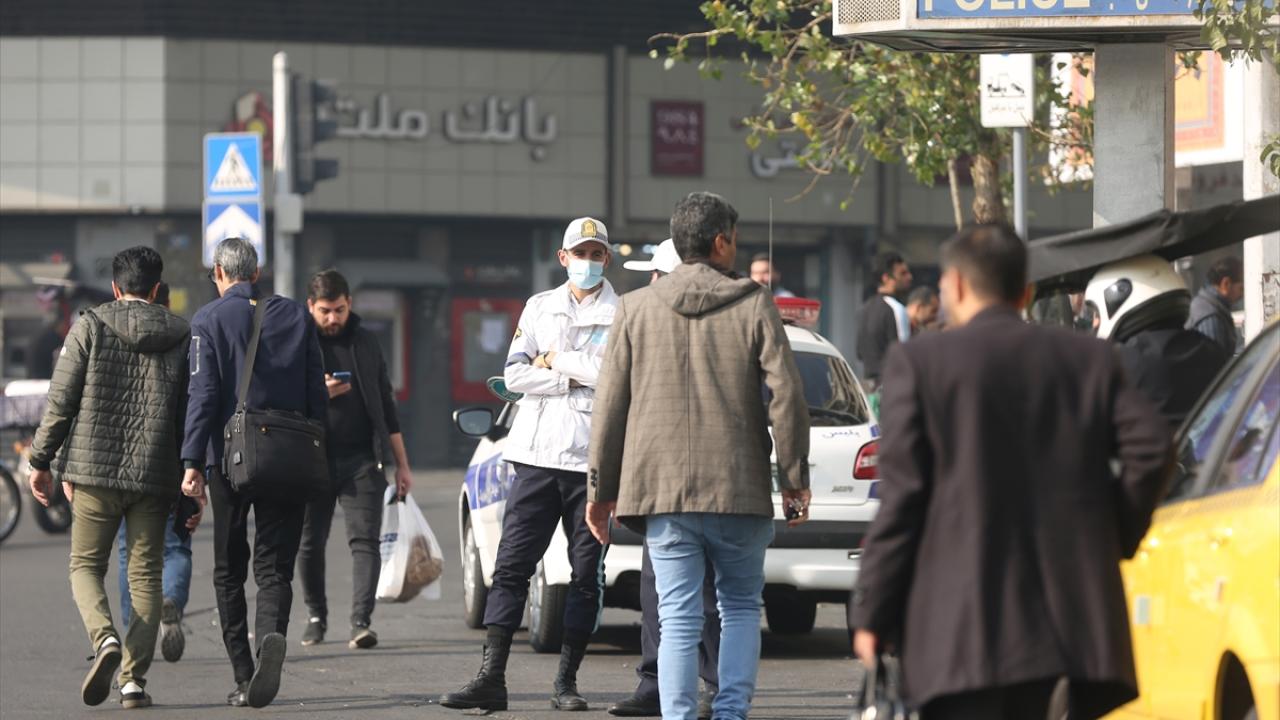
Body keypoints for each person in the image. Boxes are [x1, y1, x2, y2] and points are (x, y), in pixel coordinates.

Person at [850, 225, 1173, 720]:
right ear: (1026, 292)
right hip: (1068, 629)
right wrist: (1112, 534)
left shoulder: (919, 363)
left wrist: (872, 610)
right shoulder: (1086, 357)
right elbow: (1152, 449)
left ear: (956, 286)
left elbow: (903, 499)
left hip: (958, 631)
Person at [586, 191, 811, 720]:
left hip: (661, 492)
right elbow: (787, 395)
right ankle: (730, 713)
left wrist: (601, 491)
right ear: (721, 242)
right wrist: (794, 480)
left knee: (678, 617)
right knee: (739, 609)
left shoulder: (635, 308)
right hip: (739, 489)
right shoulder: (753, 303)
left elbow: (610, 406)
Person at [440, 216, 619, 713]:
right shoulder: (540, 306)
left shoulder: (622, 313)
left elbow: (612, 375)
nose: (588, 262)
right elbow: (514, 376)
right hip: (535, 459)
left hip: (591, 463)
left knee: (586, 576)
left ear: (607, 259)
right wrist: (570, 375)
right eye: (580, 253)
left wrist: (553, 359)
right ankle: (490, 677)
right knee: (511, 568)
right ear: (563, 258)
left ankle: (567, 682)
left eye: (596, 254)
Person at [27, 247, 193, 710]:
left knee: (85, 566)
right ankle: (133, 681)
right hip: (155, 474)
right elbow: (190, 413)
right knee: (146, 575)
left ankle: (105, 639)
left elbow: (61, 401)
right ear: (157, 290)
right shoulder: (183, 334)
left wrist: (40, 460)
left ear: (116, 288)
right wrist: (192, 475)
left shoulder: (91, 325)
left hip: (93, 473)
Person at [180, 237, 326, 708]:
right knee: (274, 566)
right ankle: (270, 640)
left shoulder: (207, 320)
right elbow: (317, 394)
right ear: (257, 273)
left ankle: (245, 675)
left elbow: (203, 396)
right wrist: (318, 452)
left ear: (219, 274)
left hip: (230, 458)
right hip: (288, 452)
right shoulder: (297, 316)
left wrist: (191, 462)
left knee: (229, 569)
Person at [613, 238, 721, 719]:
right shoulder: (641, 323)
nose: (652, 284)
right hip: (659, 481)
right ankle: (656, 685)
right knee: (659, 592)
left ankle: (713, 687)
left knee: (705, 596)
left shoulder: (722, 323)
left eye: (656, 276)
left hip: (705, 482)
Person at [296, 269, 413, 650]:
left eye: (340, 310)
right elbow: (280, 398)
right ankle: (316, 616)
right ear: (310, 306)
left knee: (365, 541)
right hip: (310, 460)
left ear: (350, 304)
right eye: (325, 311)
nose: (333, 318)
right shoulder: (299, 341)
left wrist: (402, 464)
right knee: (309, 542)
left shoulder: (365, 341)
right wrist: (319, 393)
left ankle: (361, 622)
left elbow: (386, 404)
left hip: (362, 459)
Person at [115, 282, 197, 665]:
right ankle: (171, 600)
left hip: (122, 464)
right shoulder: (185, 340)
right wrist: (196, 468)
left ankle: (134, 635)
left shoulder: (114, 334)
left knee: (128, 551)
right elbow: (196, 406)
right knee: (176, 545)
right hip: (171, 463)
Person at [1084, 255, 1229, 430]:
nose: (1095, 323)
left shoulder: (1123, 363)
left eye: (1096, 314)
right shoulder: (1211, 350)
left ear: (1119, 299)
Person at [855, 251, 912, 390]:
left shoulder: (863, 310)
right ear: (886, 278)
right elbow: (904, 356)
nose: (909, 277)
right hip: (891, 388)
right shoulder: (897, 309)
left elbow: (859, 354)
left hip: (868, 390)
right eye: (903, 273)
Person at [1186, 255, 1243, 356]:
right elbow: (1213, 361)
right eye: (1241, 288)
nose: (1243, 294)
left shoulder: (1211, 306)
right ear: (1226, 284)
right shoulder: (1211, 315)